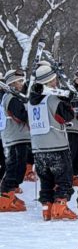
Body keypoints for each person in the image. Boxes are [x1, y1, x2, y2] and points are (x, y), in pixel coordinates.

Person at [29, 62, 78, 220]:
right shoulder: (52, 99)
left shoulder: (30, 102)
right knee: (63, 178)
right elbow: (66, 116)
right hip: (56, 146)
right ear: (49, 81)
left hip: (38, 149)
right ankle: (60, 207)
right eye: (54, 80)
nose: (56, 82)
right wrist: (67, 102)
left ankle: (46, 207)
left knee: (46, 181)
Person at [0, 69, 30, 213]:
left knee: (19, 167)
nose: (22, 84)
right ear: (11, 83)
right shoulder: (11, 98)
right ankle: (5, 196)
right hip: (14, 137)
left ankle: (10, 193)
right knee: (14, 166)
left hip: (20, 136)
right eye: (19, 82)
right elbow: (21, 115)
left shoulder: (16, 97)